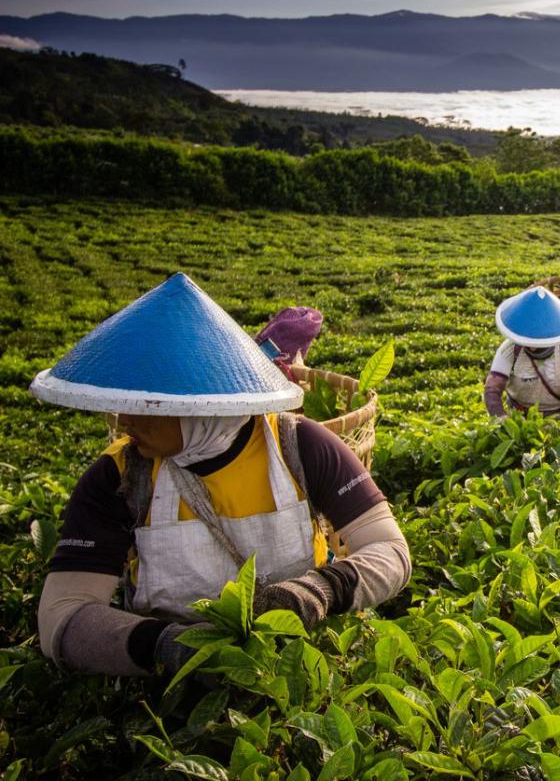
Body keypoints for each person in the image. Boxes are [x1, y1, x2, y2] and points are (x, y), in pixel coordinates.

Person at [31, 273, 411, 677]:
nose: (124, 419)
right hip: (166, 688)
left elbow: (391, 553)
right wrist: (168, 648)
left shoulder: (301, 446)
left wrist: (320, 590)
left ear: (202, 404)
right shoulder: (117, 476)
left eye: (146, 403)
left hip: (299, 663)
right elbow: (61, 616)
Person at [483, 286, 560, 425]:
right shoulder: (510, 348)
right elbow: (492, 389)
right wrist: (502, 418)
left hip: (559, 416)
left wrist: (557, 422)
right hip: (519, 416)